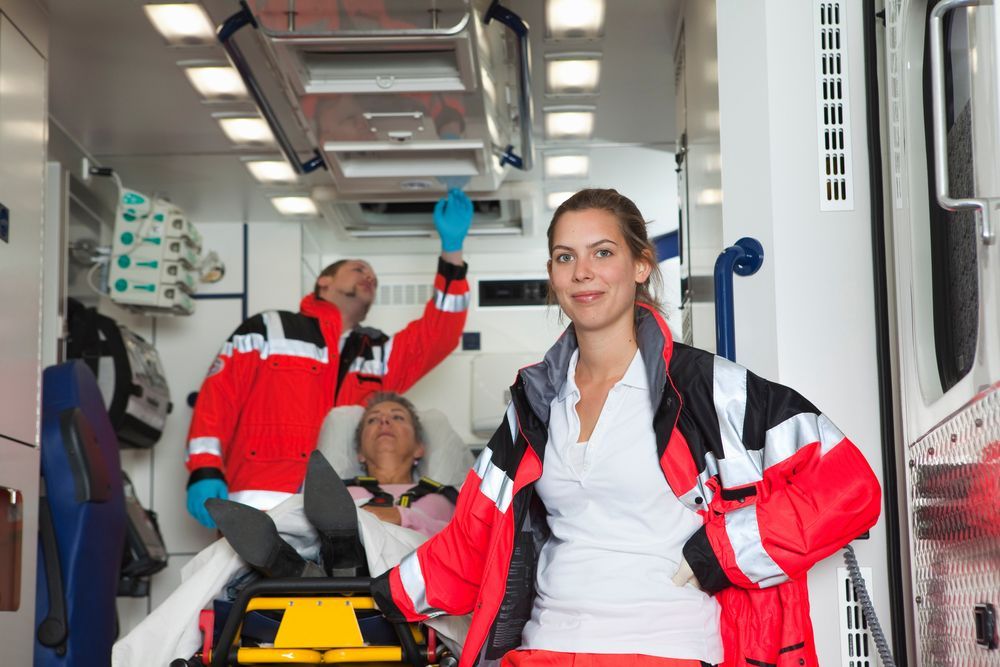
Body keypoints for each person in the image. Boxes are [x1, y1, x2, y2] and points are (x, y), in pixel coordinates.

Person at [370, 189, 882, 667]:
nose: (582, 273)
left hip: (665, 645)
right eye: (565, 257)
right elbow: (471, 539)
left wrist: (721, 553)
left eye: (603, 253)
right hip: (544, 647)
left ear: (641, 265)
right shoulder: (533, 403)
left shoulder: (708, 388)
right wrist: (377, 598)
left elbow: (850, 487)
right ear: (552, 274)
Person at [185, 189, 475, 525]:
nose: (369, 277)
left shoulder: (377, 352)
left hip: (337, 513)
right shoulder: (269, 328)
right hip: (259, 503)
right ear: (323, 281)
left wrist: (452, 252)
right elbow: (218, 398)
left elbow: (440, 333)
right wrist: (204, 468)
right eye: (359, 269)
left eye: (374, 277)